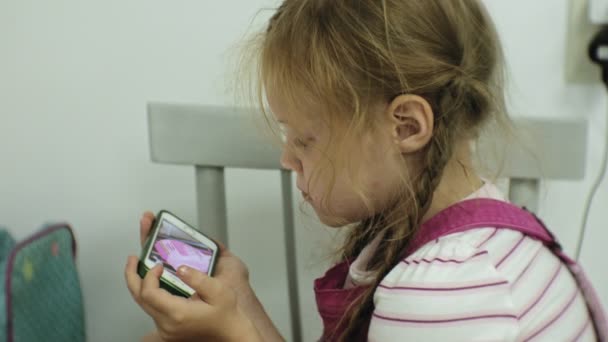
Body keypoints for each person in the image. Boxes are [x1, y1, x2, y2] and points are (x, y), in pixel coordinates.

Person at [124, 1, 599, 340]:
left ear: (407, 126)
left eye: (304, 140)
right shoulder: (442, 240)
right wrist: (242, 306)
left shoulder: (444, 294)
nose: (287, 158)